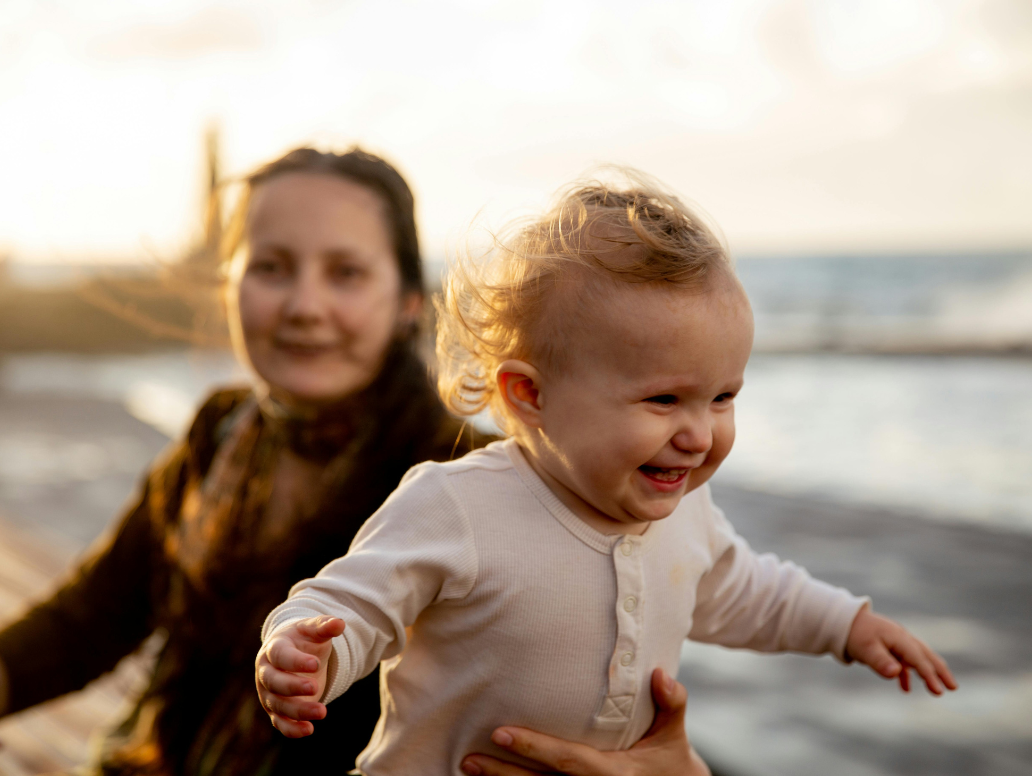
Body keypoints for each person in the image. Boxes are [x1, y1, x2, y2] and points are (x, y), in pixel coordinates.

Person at [0, 147, 706, 776]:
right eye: (272, 267)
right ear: (231, 286)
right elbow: (90, 621)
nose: (305, 306)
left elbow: (599, 676)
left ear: (405, 302)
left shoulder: (478, 479)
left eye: (345, 273)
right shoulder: (218, 433)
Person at [255, 171, 957, 775]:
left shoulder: (685, 516)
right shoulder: (458, 504)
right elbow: (358, 602)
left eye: (723, 397)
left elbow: (747, 591)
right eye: (663, 399)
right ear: (530, 395)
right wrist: (308, 653)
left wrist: (848, 626)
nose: (699, 433)